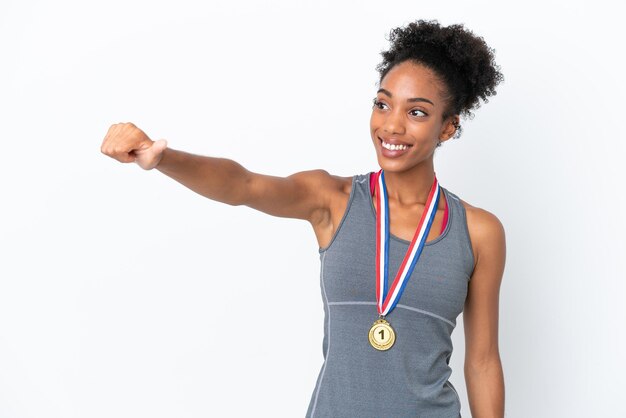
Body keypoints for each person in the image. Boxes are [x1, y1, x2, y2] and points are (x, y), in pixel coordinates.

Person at [101, 18, 505, 418]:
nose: (391, 125)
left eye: (416, 112)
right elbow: (243, 185)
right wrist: (163, 158)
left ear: (448, 127)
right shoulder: (332, 199)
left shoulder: (478, 232)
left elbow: (483, 361)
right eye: (382, 104)